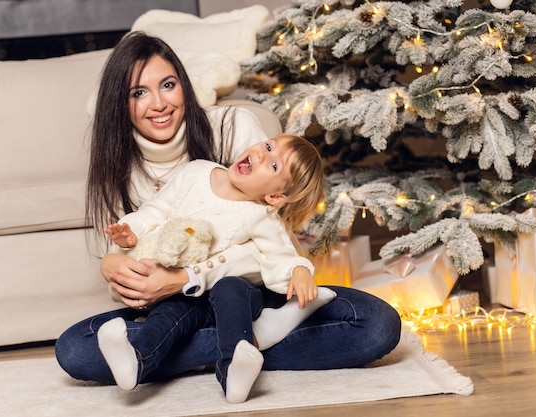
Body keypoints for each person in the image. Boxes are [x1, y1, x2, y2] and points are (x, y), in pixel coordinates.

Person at [55, 31, 402, 387]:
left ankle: (184, 354)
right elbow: (134, 244)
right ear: (121, 103)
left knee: (375, 323)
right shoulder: (118, 162)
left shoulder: (233, 127)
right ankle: (239, 349)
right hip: (170, 308)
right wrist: (112, 266)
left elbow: (269, 246)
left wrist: (188, 279)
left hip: (245, 296)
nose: (158, 103)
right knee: (74, 350)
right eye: (139, 93)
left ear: (184, 85)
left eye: (168, 84)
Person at [99, 134, 336, 402]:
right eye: (268, 147)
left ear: (274, 196)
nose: (261, 155)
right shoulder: (196, 172)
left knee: (231, 287)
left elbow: (282, 254)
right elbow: (156, 211)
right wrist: (133, 232)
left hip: (232, 299)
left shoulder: (261, 216)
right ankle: (135, 362)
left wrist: (300, 271)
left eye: (273, 165)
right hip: (184, 295)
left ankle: (233, 374)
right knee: (168, 314)